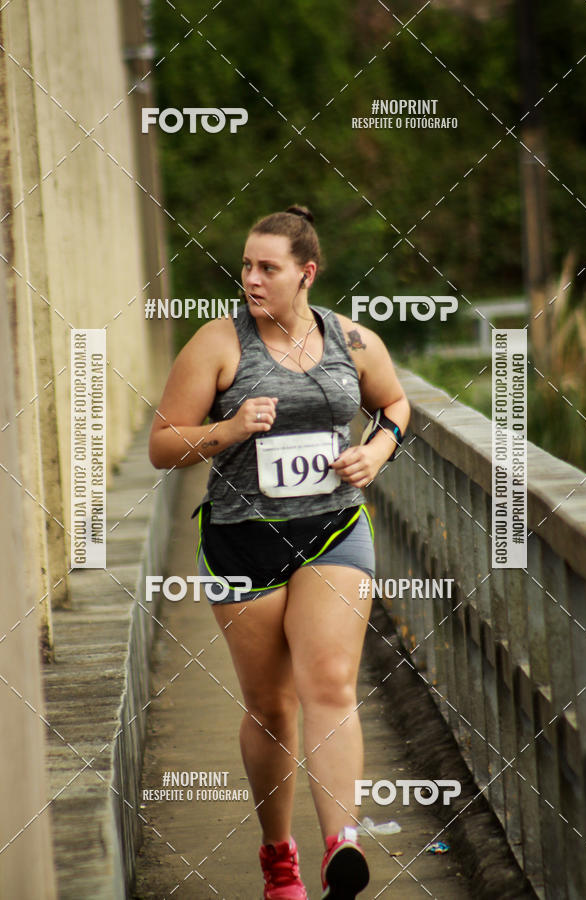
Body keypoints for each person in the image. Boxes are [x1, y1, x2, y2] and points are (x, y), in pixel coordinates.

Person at [149, 206, 410, 900]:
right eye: (246, 266)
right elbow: (162, 446)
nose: (252, 279)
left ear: (307, 273)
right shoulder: (218, 343)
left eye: (268, 267)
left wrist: (376, 452)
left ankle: (341, 847)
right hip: (242, 539)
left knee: (330, 681)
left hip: (332, 529)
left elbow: (395, 405)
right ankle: (278, 858)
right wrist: (230, 428)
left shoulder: (351, 341)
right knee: (272, 707)